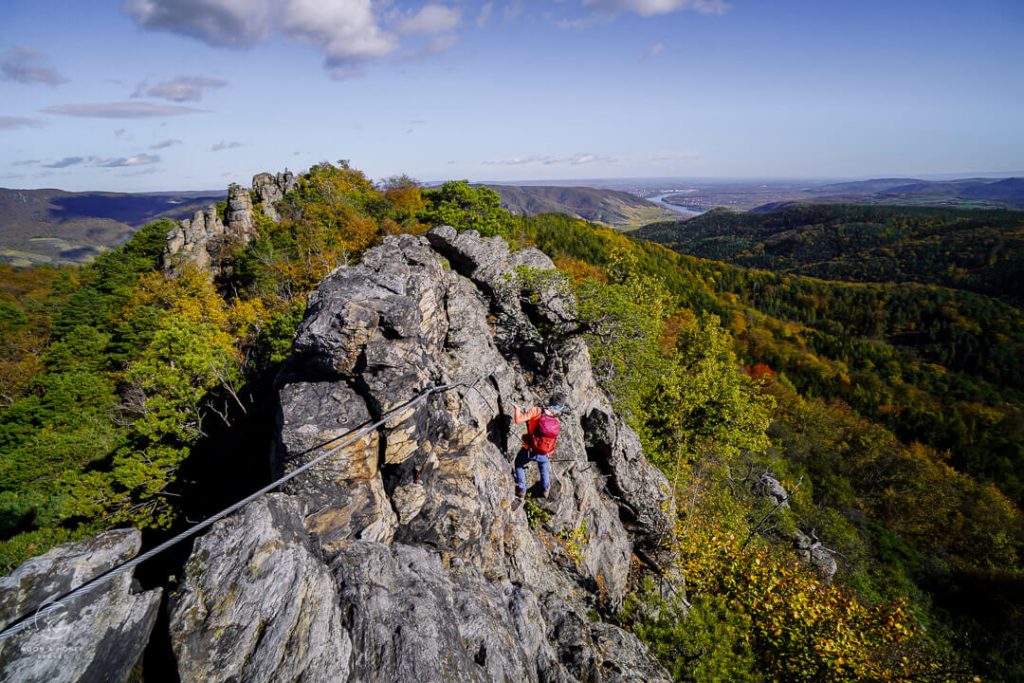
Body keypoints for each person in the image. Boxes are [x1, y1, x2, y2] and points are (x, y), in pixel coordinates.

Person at [513, 395, 564, 499]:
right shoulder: (556, 422)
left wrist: (517, 410)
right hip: (545, 452)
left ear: (549, 401)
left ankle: (522, 489)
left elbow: (518, 420)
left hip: (530, 449)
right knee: (544, 468)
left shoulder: (536, 411)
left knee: (518, 463)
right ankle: (545, 489)